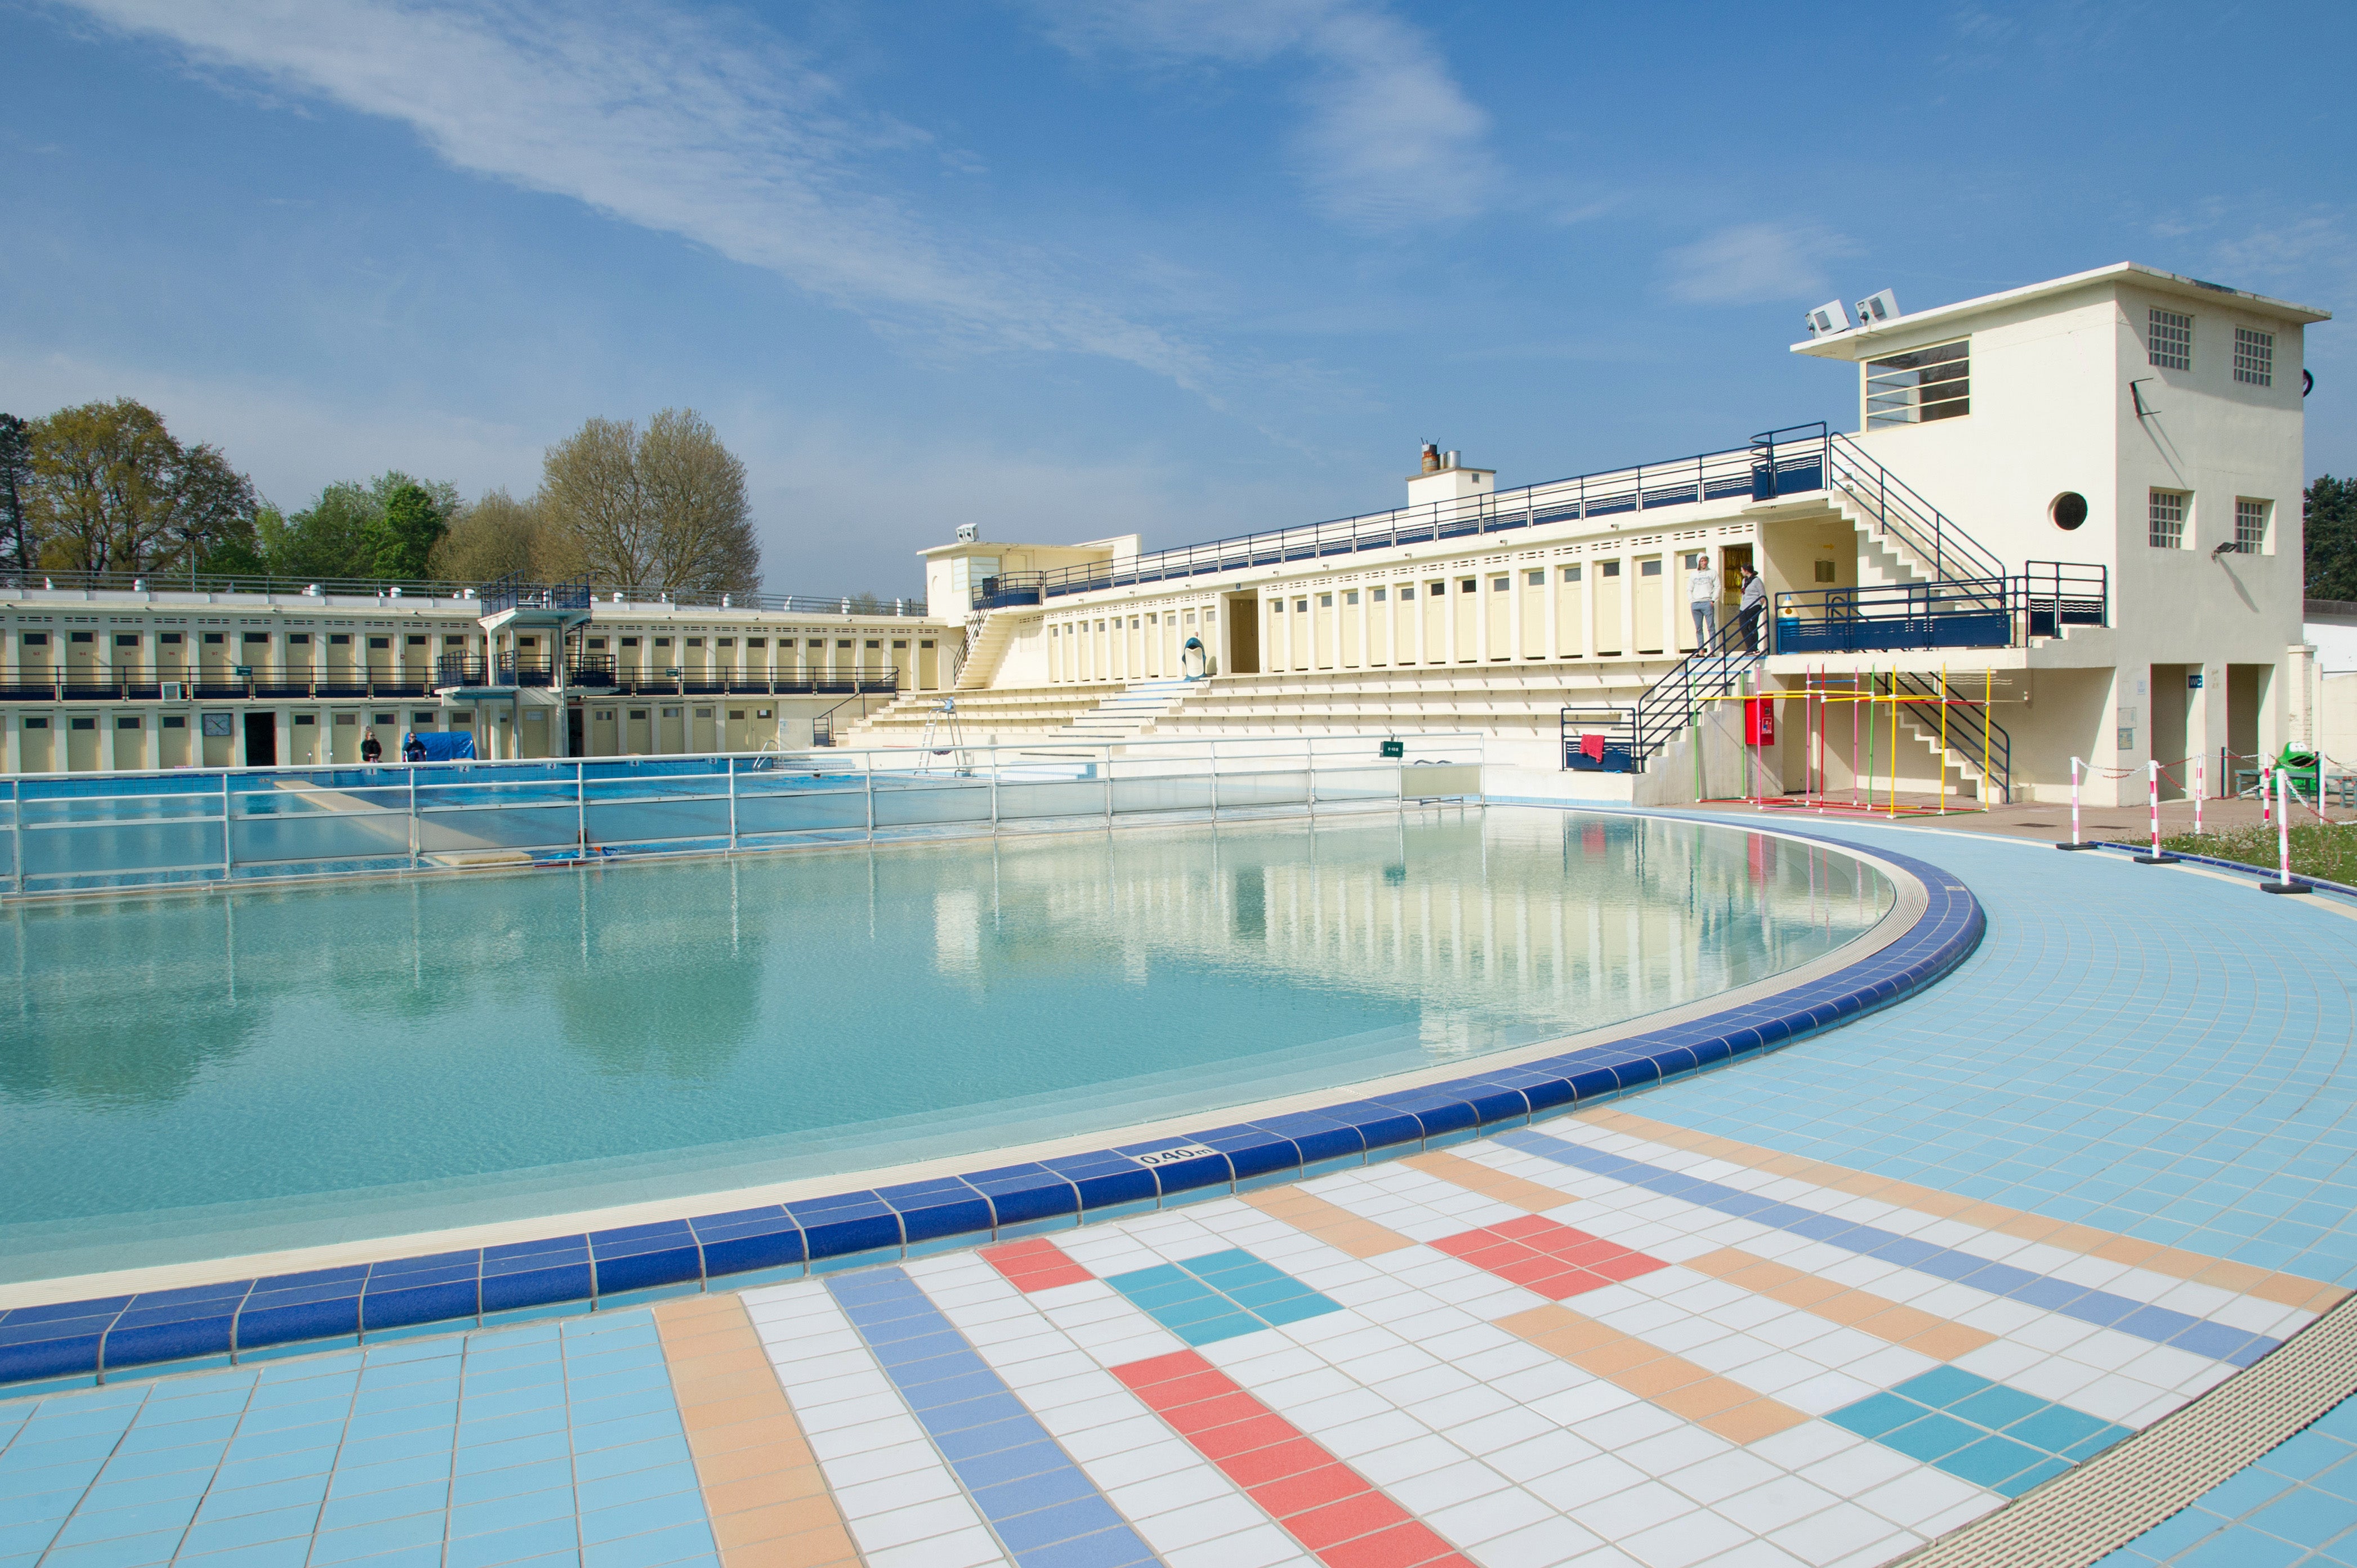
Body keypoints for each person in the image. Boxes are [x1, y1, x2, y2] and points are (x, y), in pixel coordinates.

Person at [1687, 555, 1717, 645]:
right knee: (1699, 628)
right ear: (1698, 562)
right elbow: (1689, 588)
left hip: (1707, 602)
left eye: (1705, 561)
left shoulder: (1712, 573)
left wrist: (1713, 600)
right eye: (1702, 561)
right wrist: (1691, 600)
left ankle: (1712, 649)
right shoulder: (1693, 574)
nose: (1704, 563)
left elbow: (1717, 586)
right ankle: (1701, 650)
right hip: (1696, 604)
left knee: (1711, 627)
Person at [1738, 566, 1767, 653]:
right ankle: (1750, 647)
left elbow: (1763, 595)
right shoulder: (1744, 581)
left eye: (1742, 570)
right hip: (1744, 606)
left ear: (1746, 571)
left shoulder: (1757, 581)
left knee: (1752, 626)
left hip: (1754, 606)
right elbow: (1744, 594)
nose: (1741, 572)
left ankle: (1754, 648)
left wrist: (1759, 605)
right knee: (1743, 627)